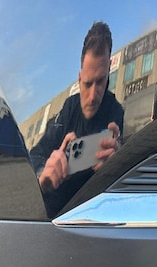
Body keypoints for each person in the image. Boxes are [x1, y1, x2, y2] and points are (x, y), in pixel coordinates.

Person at [30, 21, 124, 218]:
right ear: (79, 79)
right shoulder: (69, 108)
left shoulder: (115, 111)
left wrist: (118, 164)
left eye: (100, 82)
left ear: (108, 75)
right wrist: (43, 173)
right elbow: (36, 154)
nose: (93, 96)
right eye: (88, 84)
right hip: (53, 211)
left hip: (90, 213)